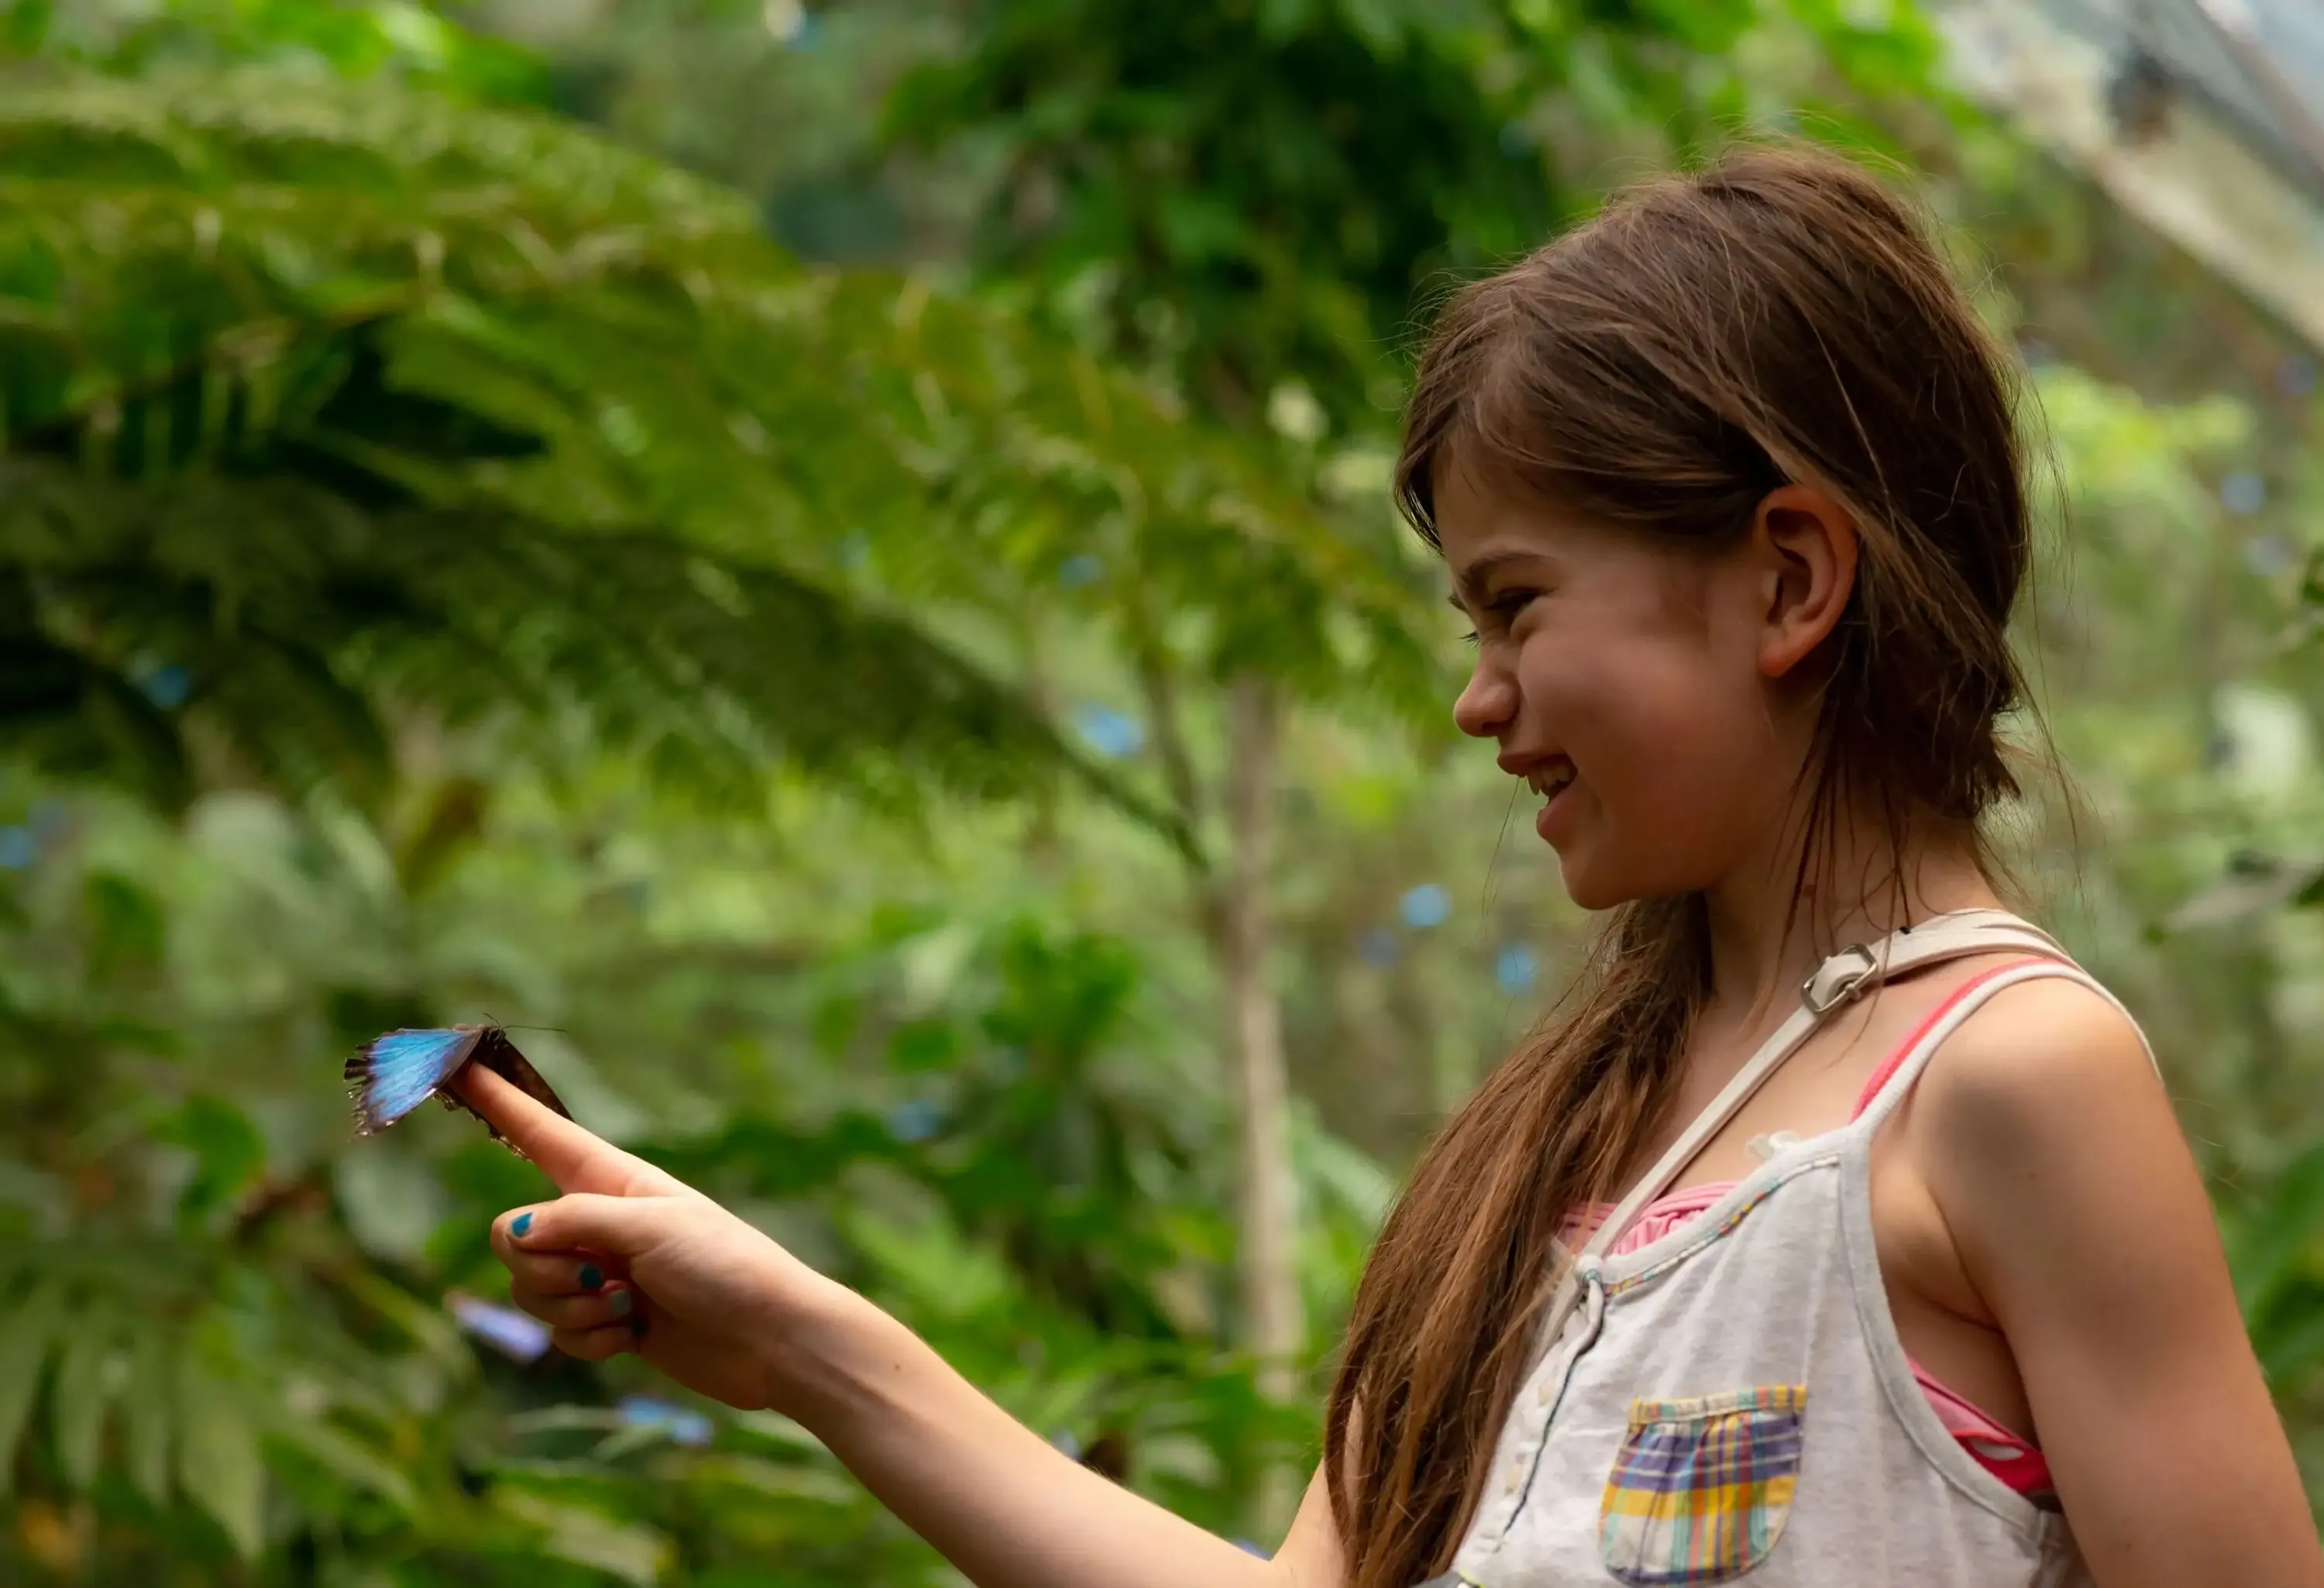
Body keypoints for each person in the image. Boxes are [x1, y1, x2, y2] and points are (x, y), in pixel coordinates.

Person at [454, 145, 2324, 1588]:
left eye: (1516, 604)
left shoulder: (2007, 1082)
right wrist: (802, 1343)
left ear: (1786, 578)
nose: (1478, 698)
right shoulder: (1581, 1131)